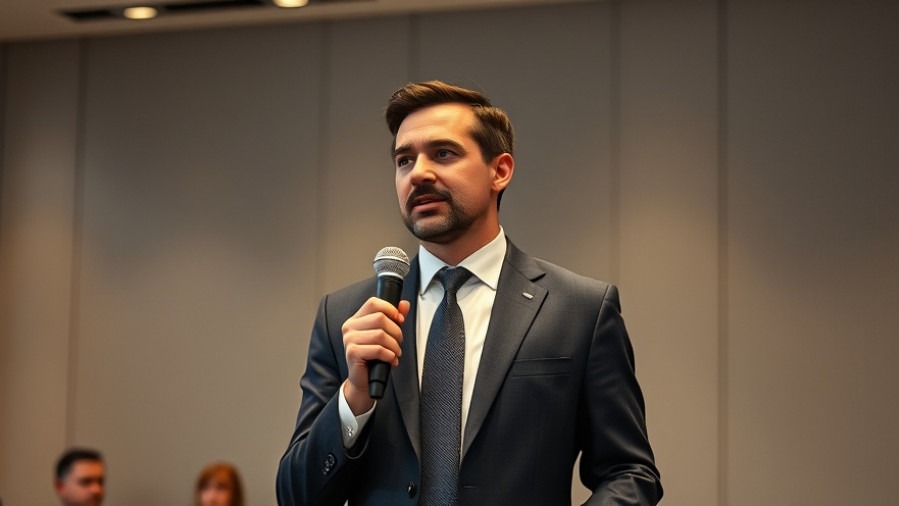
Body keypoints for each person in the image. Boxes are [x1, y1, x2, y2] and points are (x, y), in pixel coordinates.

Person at [276, 80, 662, 505]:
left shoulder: (580, 310)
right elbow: (297, 495)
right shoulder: (347, 317)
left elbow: (629, 472)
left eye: (443, 153)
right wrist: (354, 399)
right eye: (404, 160)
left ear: (500, 171)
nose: (418, 173)